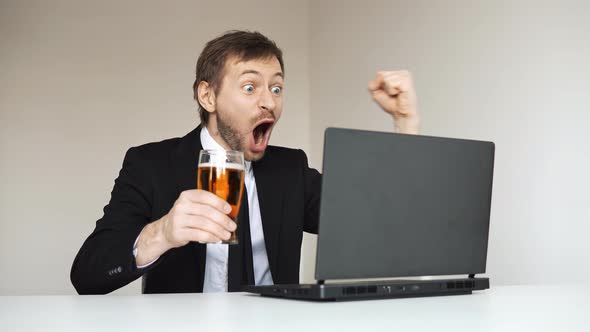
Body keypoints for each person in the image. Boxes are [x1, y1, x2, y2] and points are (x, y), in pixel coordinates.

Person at [70, 30, 420, 294]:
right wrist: (161, 233)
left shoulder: (291, 169)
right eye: (250, 87)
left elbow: (376, 219)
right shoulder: (150, 164)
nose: (269, 102)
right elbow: (87, 275)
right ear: (208, 95)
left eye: (277, 88)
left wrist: (406, 123)